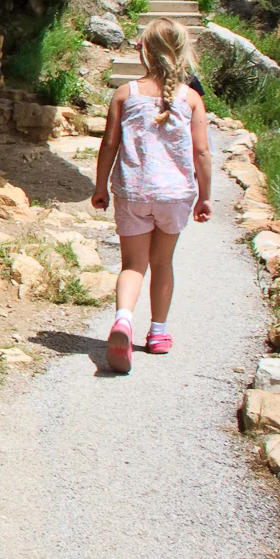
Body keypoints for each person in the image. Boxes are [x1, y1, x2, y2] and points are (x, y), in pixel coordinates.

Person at [89, 19, 213, 373]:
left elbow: (109, 144)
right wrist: (205, 196)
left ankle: (123, 320)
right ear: (182, 53)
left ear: (142, 51)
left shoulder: (125, 93)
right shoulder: (191, 98)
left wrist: (100, 187)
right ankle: (158, 333)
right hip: (174, 194)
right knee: (163, 263)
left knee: (132, 265)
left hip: (133, 191)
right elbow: (201, 152)